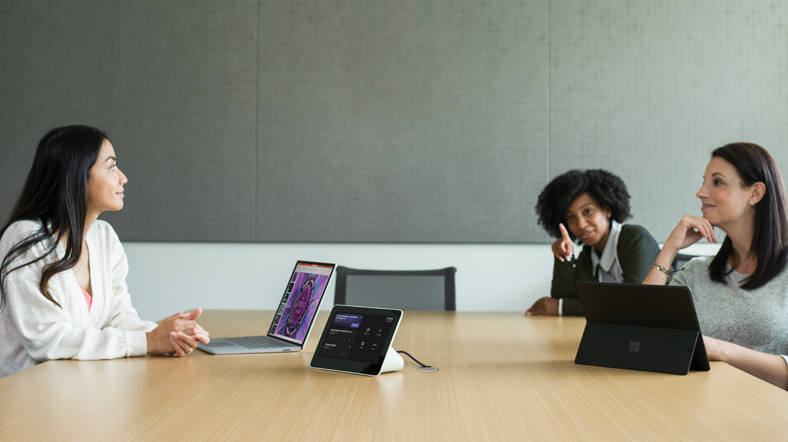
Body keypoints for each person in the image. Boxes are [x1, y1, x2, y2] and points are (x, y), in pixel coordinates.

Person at [0, 125, 210, 379]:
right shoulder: (25, 237)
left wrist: (171, 334)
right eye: (111, 167)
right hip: (27, 394)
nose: (123, 178)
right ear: (77, 175)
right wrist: (147, 340)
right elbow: (48, 340)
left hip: (80, 384)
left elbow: (118, 317)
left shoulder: (104, 237)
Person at [643, 142, 788, 390]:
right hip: (699, 411)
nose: (701, 192)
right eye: (704, 181)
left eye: (717, 182)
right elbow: (640, 328)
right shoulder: (697, 273)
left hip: (768, 422)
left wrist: (721, 350)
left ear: (755, 193)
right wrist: (669, 249)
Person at [526, 169, 660, 316]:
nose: (581, 224)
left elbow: (636, 302)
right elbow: (568, 299)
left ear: (607, 210)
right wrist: (565, 258)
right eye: (570, 218)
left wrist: (562, 307)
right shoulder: (588, 255)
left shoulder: (635, 239)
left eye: (587, 211)